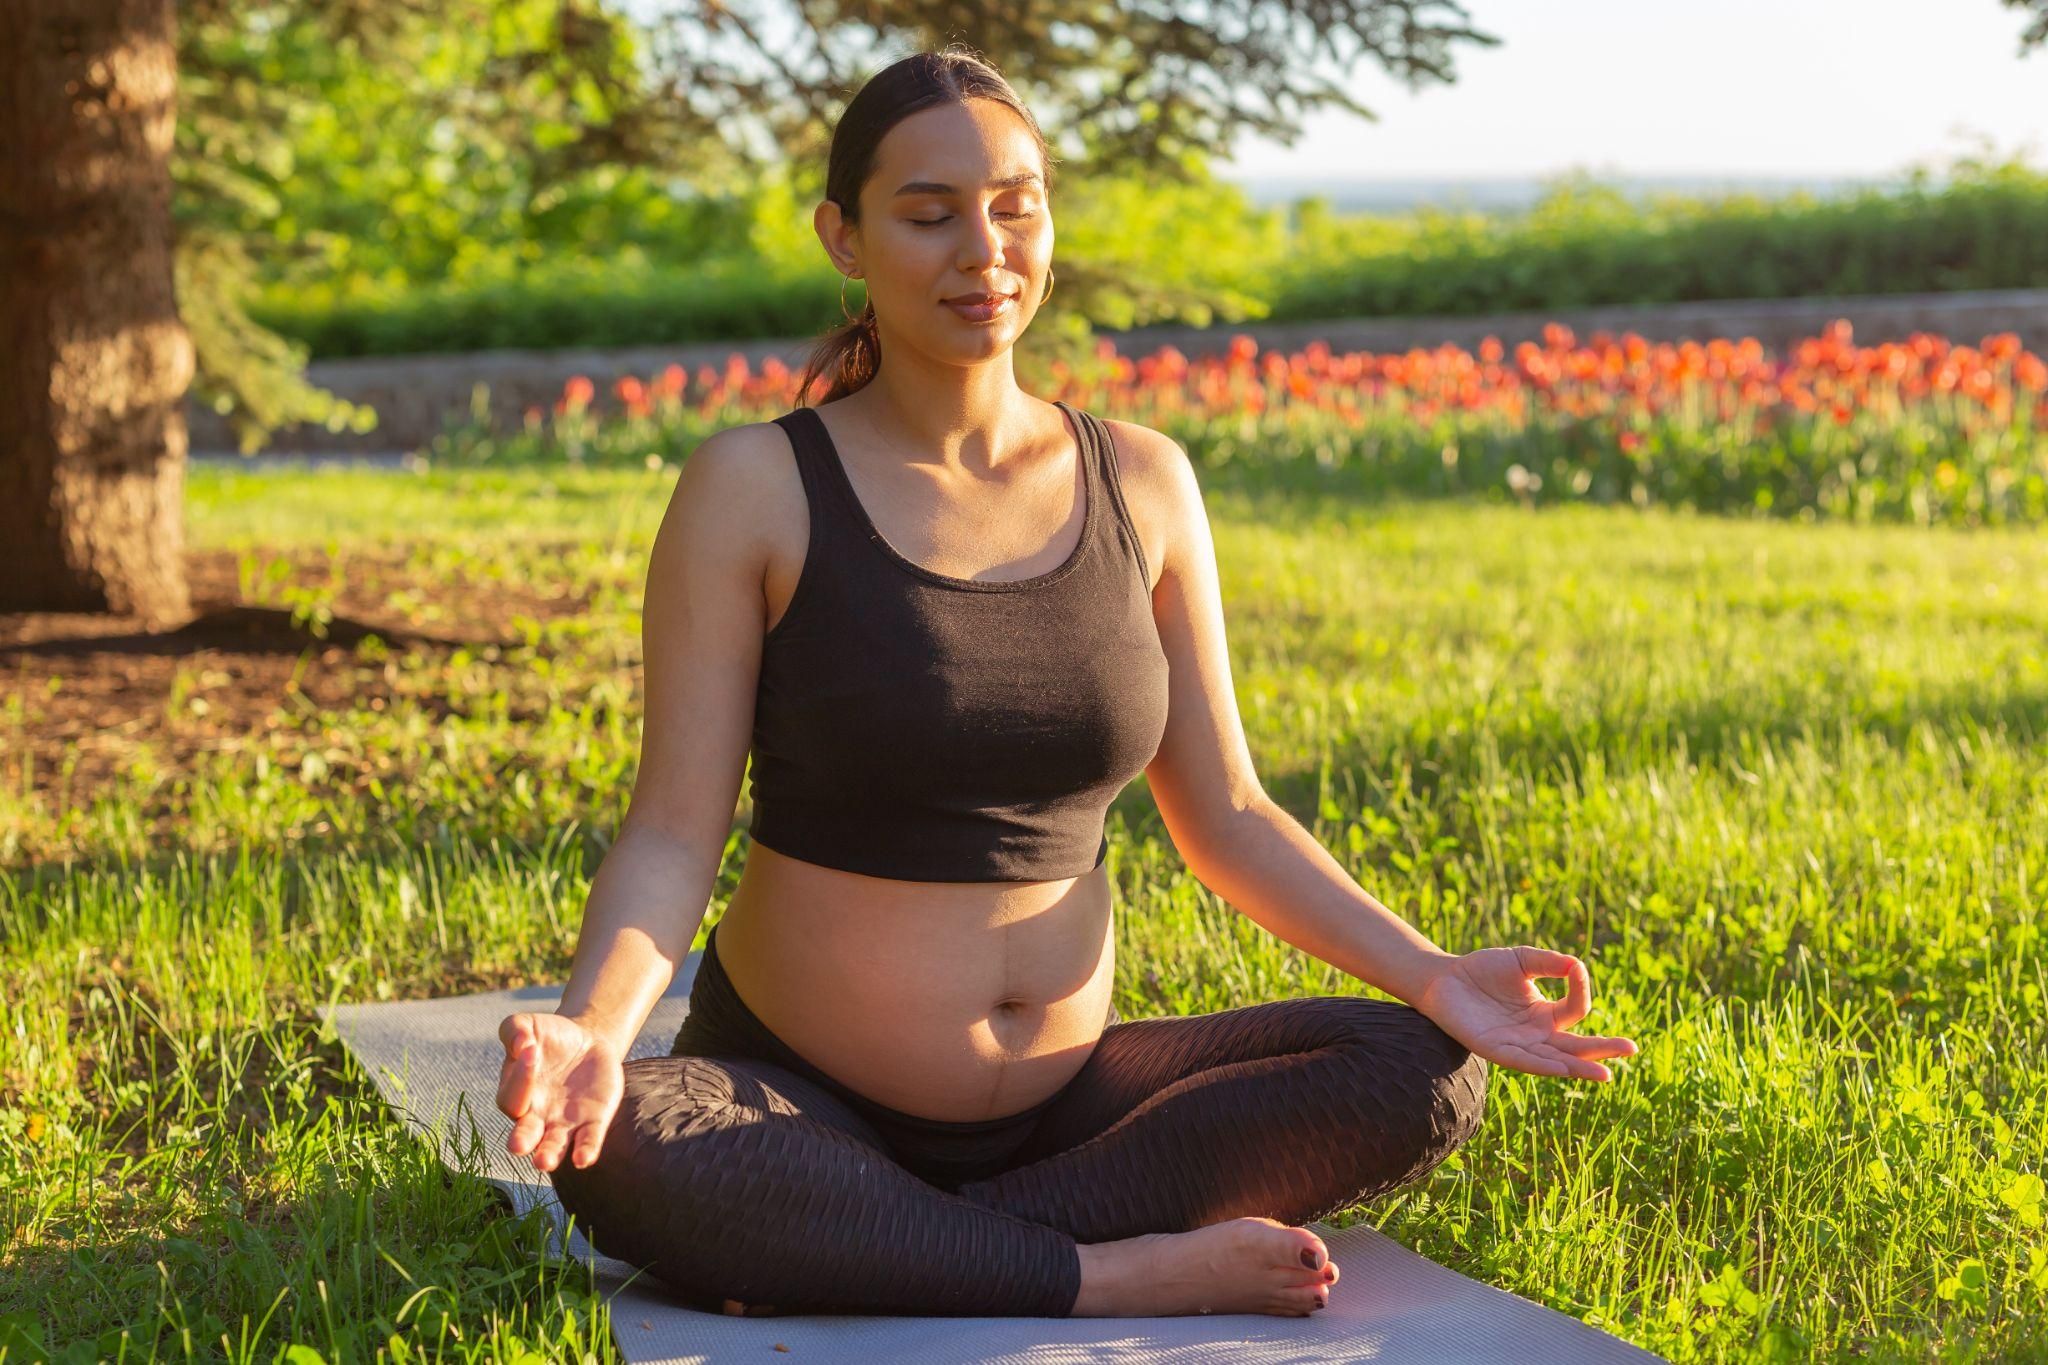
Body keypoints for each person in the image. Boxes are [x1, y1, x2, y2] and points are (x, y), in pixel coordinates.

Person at [494, 44, 1638, 1321]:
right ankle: (1097, 1273)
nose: (981, 248)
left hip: (1067, 1117)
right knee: (638, 1143)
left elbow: (1231, 815)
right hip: (796, 1095)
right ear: (845, 237)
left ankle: (884, 1247)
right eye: (926, 215)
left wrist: (1429, 972)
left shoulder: (1142, 481)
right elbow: (671, 828)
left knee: (1411, 1067)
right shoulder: (754, 489)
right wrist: (594, 1029)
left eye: (1014, 204)